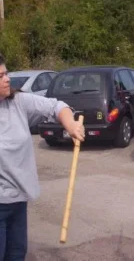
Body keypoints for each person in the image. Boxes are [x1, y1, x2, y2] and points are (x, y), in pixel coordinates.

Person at [0, 54, 85, 260]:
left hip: (18, 202)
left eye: (6, 73)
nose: (7, 79)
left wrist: (71, 124)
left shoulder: (18, 102)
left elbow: (56, 107)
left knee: (17, 254)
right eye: (0, 75)